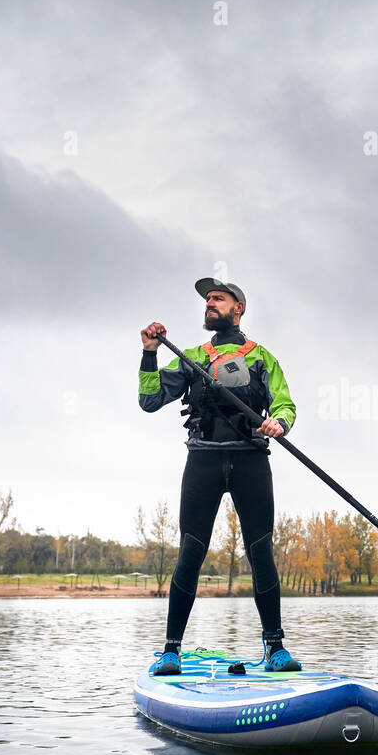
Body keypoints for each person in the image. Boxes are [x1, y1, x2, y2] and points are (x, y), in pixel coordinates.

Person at [138, 278, 299, 675]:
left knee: (261, 552)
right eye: (207, 299)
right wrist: (149, 353)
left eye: (218, 298)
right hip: (204, 462)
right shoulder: (192, 357)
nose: (209, 303)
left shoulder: (262, 358)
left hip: (250, 461)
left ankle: (275, 647)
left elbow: (286, 404)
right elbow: (150, 399)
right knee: (190, 552)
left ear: (238, 307)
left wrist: (278, 422)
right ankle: (171, 651)